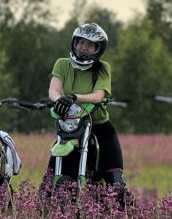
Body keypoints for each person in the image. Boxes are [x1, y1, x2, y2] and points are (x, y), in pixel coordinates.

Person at [47, 22, 128, 204]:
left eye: (90, 44)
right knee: (51, 174)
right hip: (71, 127)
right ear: (74, 43)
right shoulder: (62, 64)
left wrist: (75, 97)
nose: (84, 47)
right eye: (81, 42)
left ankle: (122, 212)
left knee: (115, 178)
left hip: (99, 126)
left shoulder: (103, 68)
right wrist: (59, 100)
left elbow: (99, 96)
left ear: (98, 49)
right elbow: (53, 91)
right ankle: (46, 207)